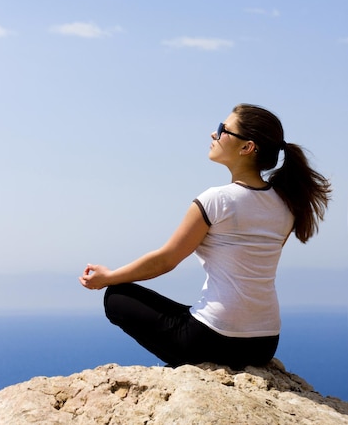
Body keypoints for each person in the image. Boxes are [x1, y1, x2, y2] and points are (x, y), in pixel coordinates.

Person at [79, 104, 331, 369]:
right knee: (192, 311)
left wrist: (107, 278)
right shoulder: (285, 205)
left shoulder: (216, 200)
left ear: (247, 147)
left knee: (117, 296)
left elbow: (165, 260)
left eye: (224, 130)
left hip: (214, 341)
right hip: (264, 343)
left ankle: (188, 368)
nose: (214, 133)